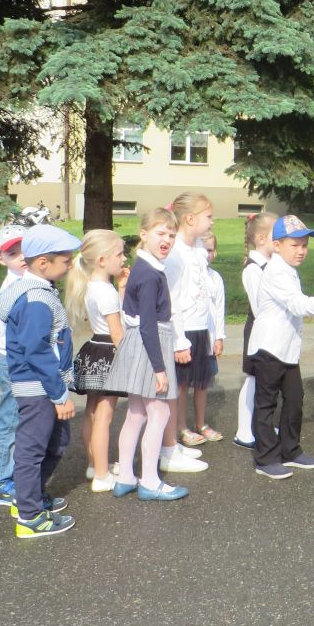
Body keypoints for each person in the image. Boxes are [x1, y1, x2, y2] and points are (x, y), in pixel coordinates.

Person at [0, 225, 80, 538]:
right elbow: (38, 350)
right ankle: (29, 517)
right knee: (33, 449)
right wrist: (59, 395)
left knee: (56, 442)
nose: (70, 265)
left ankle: (28, 497)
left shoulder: (39, 291)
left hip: (44, 386)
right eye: (65, 260)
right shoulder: (35, 300)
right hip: (39, 388)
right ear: (43, 263)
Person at [248, 215, 314, 480]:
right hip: (268, 349)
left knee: (294, 398)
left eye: (305, 245)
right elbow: (298, 305)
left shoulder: (289, 269)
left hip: (286, 350)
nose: (301, 250)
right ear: (277, 245)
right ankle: (266, 459)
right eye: (295, 245)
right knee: (266, 404)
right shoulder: (276, 271)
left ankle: (289, 450)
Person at [106, 208, 189, 501]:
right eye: (160, 233)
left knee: (136, 412)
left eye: (171, 235)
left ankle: (126, 477)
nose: (166, 240)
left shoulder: (145, 268)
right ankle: (150, 481)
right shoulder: (151, 274)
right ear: (144, 235)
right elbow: (149, 325)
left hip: (139, 343)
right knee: (160, 411)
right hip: (150, 345)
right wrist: (159, 368)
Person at [65, 229, 129, 493]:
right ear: (102, 260)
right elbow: (118, 332)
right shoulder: (106, 291)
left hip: (93, 349)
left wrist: (122, 288)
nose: (124, 259)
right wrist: (132, 359)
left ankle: (94, 465)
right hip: (109, 353)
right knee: (105, 415)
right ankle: (102, 475)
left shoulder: (91, 285)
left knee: (92, 412)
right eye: (120, 254)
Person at [165, 192, 220, 460]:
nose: (212, 221)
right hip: (182, 330)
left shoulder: (199, 248)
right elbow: (172, 300)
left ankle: (191, 428)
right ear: (189, 219)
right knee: (180, 385)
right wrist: (179, 341)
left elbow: (206, 295)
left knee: (198, 380)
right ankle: (178, 432)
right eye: (208, 216)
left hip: (200, 327)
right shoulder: (175, 253)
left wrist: (213, 332)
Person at [0, 225, 27, 507]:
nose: (22, 256)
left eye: (25, 249)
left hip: (24, 360)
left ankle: (15, 476)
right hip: (14, 362)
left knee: (23, 421)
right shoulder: (10, 290)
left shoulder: (32, 282)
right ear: (1, 259)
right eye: (13, 253)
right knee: (11, 421)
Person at [234, 212, 276, 449]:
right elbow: (260, 306)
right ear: (261, 239)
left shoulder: (270, 265)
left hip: (269, 329)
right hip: (259, 331)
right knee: (253, 378)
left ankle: (261, 426)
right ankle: (244, 431)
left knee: (264, 380)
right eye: (275, 236)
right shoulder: (253, 269)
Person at [198, 231, 226, 439]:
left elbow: (219, 309)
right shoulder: (187, 275)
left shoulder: (215, 278)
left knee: (203, 384)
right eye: (201, 249)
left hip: (208, 338)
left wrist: (219, 337)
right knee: (181, 386)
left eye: (209, 250)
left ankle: (201, 424)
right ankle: (180, 427)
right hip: (188, 339)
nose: (205, 254)